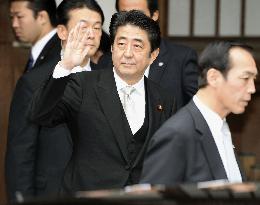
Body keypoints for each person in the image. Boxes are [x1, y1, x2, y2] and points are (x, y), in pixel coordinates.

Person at [29, 10, 176, 194]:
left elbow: (168, 156)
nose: (127, 53)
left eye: (137, 46)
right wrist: (65, 66)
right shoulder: (83, 85)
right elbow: (40, 115)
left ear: (153, 55)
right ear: (112, 48)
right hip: (88, 197)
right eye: (121, 44)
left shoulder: (164, 98)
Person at [5, 0, 105, 200]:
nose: (92, 34)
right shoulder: (33, 82)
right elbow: (21, 154)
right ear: (62, 32)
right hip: (51, 193)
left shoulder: (107, 78)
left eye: (97, 27)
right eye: (83, 27)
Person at [140, 41, 258, 186]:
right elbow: (153, 199)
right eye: (245, 78)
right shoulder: (176, 134)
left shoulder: (220, 126)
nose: (252, 89)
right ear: (213, 77)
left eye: (254, 80)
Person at [113, 0, 199, 109]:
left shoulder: (181, 58)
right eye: (124, 14)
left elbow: (198, 108)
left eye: (139, 15)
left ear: (154, 15)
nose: (131, 22)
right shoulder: (108, 59)